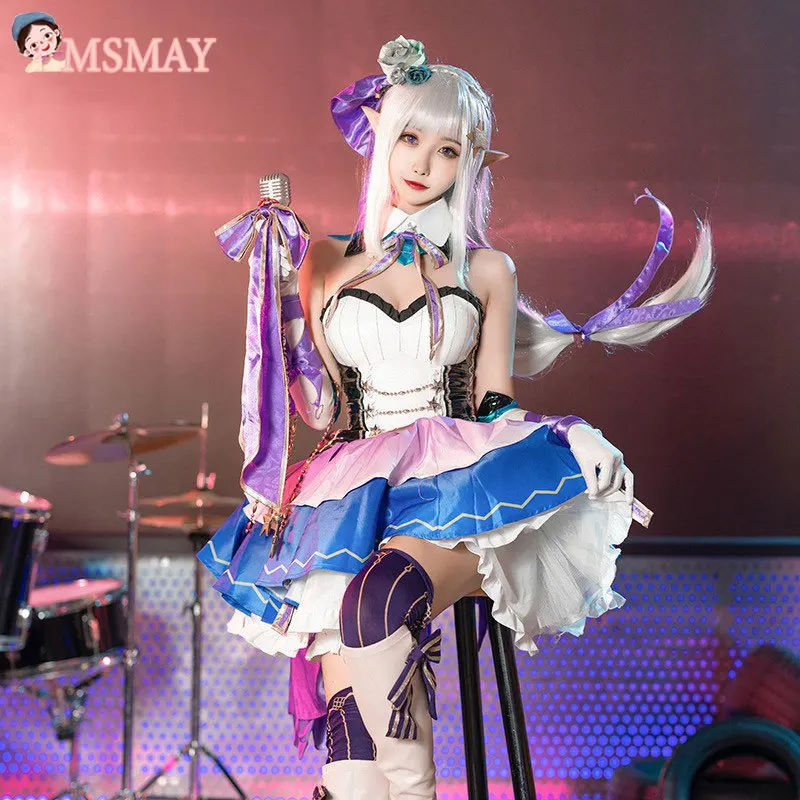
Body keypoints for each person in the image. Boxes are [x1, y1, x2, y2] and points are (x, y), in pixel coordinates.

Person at [199, 35, 714, 800]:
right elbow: (322, 406)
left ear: (470, 164)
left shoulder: (487, 270)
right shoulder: (326, 261)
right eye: (410, 138)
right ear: (381, 137)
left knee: (376, 602)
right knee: (349, 759)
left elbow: (494, 402)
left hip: (454, 487)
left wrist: (571, 434)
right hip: (349, 492)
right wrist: (280, 313)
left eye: (448, 150)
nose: (423, 164)